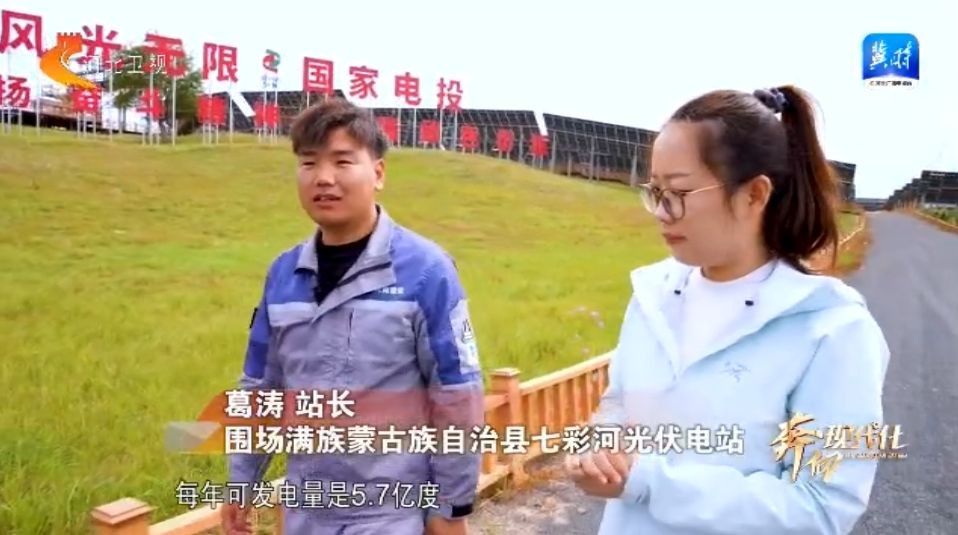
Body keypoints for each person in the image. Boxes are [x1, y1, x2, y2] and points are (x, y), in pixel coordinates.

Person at [564, 85, 890, 534]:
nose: (661, 211)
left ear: (754, 194)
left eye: (679, 192)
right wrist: (598, 449)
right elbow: (619, 402)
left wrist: (649, 482)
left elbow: (822, 507)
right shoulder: (652, 296)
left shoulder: (833, 330)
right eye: (655, 191)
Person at [221, 98, 485, 535]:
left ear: (378, 173)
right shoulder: (283, 275)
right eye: (309, 163)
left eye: (342, 161)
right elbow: (261, 387)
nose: (323, 177)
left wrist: (450, 509)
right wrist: (242, 481)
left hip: (392, 515)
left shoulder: (426, 271)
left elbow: (458, 395)